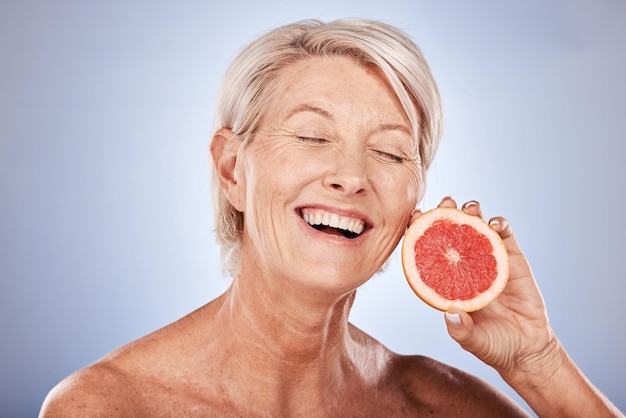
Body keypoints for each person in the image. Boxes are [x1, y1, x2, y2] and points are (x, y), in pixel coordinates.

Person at [40, 18, 623, 417]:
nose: (352, 176)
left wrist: (538, 365)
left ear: (413, 200)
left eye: (391, 152)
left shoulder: (447, 407)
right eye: (312, 136)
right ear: (231, 170)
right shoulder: (109, 405)